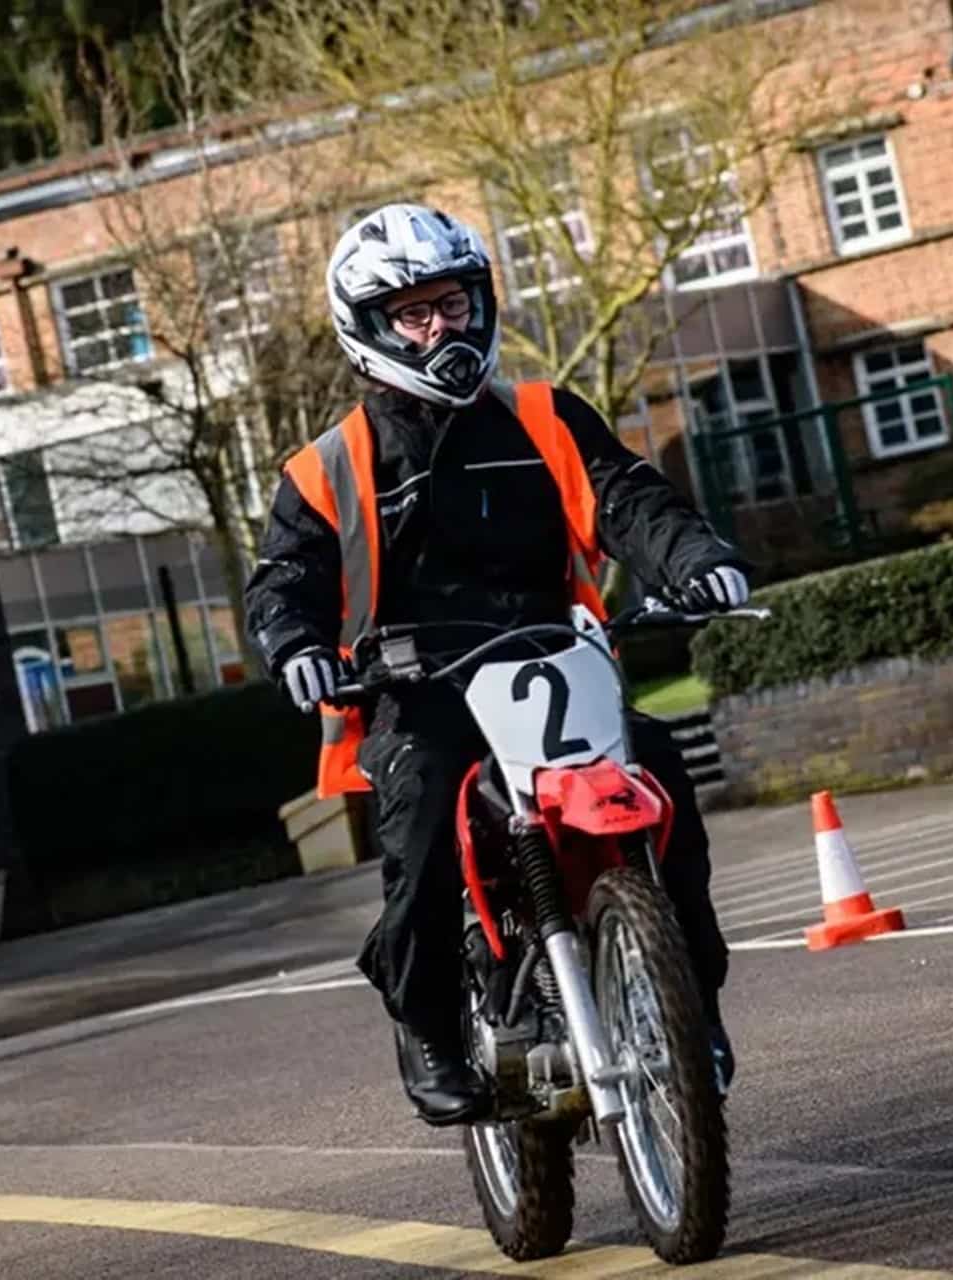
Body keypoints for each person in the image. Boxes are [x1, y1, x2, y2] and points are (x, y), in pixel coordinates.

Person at [244, 203, 752, 1126]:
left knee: (661, 768)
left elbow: (629, 498)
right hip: (415, 690)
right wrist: (299, 649)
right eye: (413, 313)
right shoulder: (326, 468)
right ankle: (431, 1027)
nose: (442, 327)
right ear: (367, 327)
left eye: (454, 302)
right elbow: (284, 583)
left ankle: (694, 1012)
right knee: (426, 818)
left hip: (551, 658)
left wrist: (696, 561)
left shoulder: (544, 414)